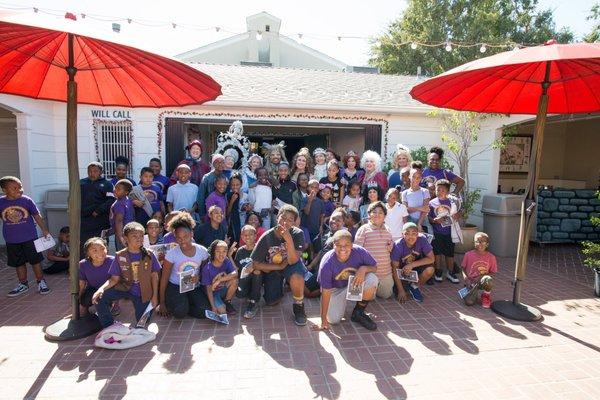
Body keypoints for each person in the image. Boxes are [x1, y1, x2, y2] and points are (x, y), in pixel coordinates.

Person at [92, 222, 161, 328]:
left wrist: (155, 297)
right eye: (134, 236)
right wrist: (100, 289)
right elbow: (114, 279)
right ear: (125, 238)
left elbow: (154, 276)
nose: (139, 239)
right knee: (100, 297)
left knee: (141, 324)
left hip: (143, 293)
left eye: (141, 236)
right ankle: (109, 326)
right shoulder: (120, 255)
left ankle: (144, 313)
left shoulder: (149, 254)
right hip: (125, 288)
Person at [250, 204, 307, 326]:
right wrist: (279, 267)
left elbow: (292, 261)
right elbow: (255, 264)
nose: (286, 222)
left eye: (290, 220)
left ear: (294, 223)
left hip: (291, 264)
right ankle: (281, 285)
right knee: (271, 301)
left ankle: (299, 306)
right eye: (283, 218)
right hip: (273, 267)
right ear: (277, 217)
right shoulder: (267, 236)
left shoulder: (298, 234)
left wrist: (288, 239)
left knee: (297, 276)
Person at [316, 230, 378, 331]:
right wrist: (323, 320)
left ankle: (358, 312)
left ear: (352, 245)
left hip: (354, 284)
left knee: (372, 279)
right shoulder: (327, 263)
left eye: (347, 245)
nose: (343, 248)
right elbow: (326, 291)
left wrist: (364, 269)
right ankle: (340, 303)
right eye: (338, 245)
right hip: (336, 289)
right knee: (333, 320)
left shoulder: (360, 251)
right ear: (333, 245)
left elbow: (375, 267)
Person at [0, 175, 51, 296]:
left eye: (20, 187)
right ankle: (23, 284)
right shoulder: (1, 202)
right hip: (11, 239)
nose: (19, 190)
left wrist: (44, 230)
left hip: (29, 238)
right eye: (14, 188)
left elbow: (37, 216)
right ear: (4, 190)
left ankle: (41, 281)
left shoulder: (26, 200)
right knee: (18, 262)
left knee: (35, 261)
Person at [158, 212, 211, 319]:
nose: (182, 240)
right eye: (179, 238)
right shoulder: (171, 254)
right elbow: (164, 279)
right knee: (179, 313)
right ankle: (180, 305)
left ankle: (185, 304)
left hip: (193, 286)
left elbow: (205, 272)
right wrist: (162, 302)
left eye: (185, 236)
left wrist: (199, 277)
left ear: (192, 234)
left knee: (205, 311)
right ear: (175, 237)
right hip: (175, 286)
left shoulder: (202, 251)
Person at [354, 201, 399, 300]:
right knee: (369, 298)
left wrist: (391, 245)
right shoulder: (363, 229)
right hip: (369, 273)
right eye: (374, 212)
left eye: (380, 212)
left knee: (386, 295)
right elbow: (356, 252)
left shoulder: (388, 230)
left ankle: (375, 289)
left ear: (385, 216)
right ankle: (369, 290)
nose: (377, 214)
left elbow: (390, 246)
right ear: (369, 215)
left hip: (385, 273)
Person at [391, 222, 435, 303]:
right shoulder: (398, 245)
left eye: (414, 234)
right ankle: (405, 285)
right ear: (402, 234)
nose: (410, 237)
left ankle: (414, 286)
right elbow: (395, 268)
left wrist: (412, 265)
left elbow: (431, 258)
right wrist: (401, 290)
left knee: (430, 269)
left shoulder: (422, 239)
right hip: (401, 271)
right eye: (407, 233)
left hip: (415, 267)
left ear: (418, 234)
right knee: (400, 293)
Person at [428, 179, 462, 284]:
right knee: (437, 253)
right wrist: (434, 221)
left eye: (443, 190)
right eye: (438, 190)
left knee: (450, 253)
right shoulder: (431, 203)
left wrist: (458, 215)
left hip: (449, 232)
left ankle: (450, 272)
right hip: (437, 232)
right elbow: (428, 217)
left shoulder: (453, 202)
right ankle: (438, 271)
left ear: (448, 191)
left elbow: (460, 211)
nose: (440, 192)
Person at [80, 162, 114, 255]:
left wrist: (99, 210)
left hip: (100, 221)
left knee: (100, 244)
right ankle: (85, 266)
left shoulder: (107, 184)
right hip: (84, 221)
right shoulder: (81, 183)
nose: (92, 173)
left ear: (101, 172)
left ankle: (102, 266)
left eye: (95, 171)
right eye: (90, 171)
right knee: (84, 244)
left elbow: (111, 200)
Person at [461, 232, 497, 308]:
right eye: (477, 241)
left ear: (487, 244)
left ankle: (486, 296)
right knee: (469, 303)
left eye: (483, 242)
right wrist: (466, 278)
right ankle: (472, 293)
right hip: (470, 283)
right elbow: (463, 268)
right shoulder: (468, 255)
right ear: (474, 243)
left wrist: (480, 277)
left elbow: (493, 272)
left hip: (482, 281)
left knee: (488, 279)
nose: (480, 244)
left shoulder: (491, 257)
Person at [202, 240, 238, 315]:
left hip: (222, 289)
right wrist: (213, 307)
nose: (221, 254)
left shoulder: (226, 261)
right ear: (213, 252)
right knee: (222, 312)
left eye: (224, 251)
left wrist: (219, 280)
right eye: (218, 251)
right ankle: (217, 303)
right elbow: (209, 290)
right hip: (213, 293)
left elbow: (235, 273)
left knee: (235, 281)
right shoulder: (207, 268)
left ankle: (227, 301)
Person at [78, 237, 113, 316]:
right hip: (93, 288)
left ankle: (113, 305)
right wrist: (78, 299)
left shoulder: (112, 261)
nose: (100, 253)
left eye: (102, 249)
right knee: (84, 301)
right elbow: (82, 283)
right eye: (95, 250)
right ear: (88, 253)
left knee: (102, 302)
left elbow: (116, 280)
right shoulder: (83, 264)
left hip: (110, 288)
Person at [235, 225, 262, 318]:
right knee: (239, 294)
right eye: (245, 235)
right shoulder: (240, 251)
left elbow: (264, 266)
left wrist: (253, 267)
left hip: (258, 279)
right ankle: (250, 294)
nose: (247, 237)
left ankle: (254, 302)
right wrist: (230, 256)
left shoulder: (259, 249)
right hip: (245, 279)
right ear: (242, 237)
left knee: (257, 272)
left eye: (250, 234)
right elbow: (237, 269)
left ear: (255, 236)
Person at [197, 154, 227, 220]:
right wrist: (202, 215)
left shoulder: (225, 177)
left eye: (222, 162)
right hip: (209, 213)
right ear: (213, 164)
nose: (220, 164)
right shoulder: (206, 178)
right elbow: (200, 198)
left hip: (221, 213)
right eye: (217, 162)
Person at [401, 165, 430, 232]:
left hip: (423, 222)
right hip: (409, 222)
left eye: (418, 177)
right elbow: (405, 210)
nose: (416, 179)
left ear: (421, 178)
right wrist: (419, 208)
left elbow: (425, 209)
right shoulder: (405, 193)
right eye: (413, 177)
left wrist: (419, 223)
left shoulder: (425, 191)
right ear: (409, 177)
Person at [109, 179, 135, 251]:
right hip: (130, 231)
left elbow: (119, 220)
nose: (115, 190)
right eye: (115, 187)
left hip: (122, 233)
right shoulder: (127, 200)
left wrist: (120, 237)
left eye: (119, 189)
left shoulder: (119, 204)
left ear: (126, 192)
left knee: (122, 255)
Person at [227, 173, 248, 244]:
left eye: (237, 184)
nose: (235, 187)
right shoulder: (228, 195)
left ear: (241, 184)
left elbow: (249, 210)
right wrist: (232, 201)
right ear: (230, 185)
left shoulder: (245, 196)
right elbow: (227, 212)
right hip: (233, 224)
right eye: (233, 185)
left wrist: (247, 208)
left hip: (244, 222)